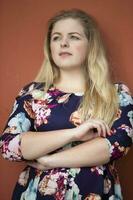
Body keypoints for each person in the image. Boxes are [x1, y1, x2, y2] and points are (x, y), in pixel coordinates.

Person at [0, 9, 133, 200]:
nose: (63, 43)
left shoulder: (117, 94)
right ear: (50, 47)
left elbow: (118, 144)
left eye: (74, 37)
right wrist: (74, 133)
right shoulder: (32, 94)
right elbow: (9, 146)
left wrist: (50, 161)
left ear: (91, 46)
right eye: (56, 38)